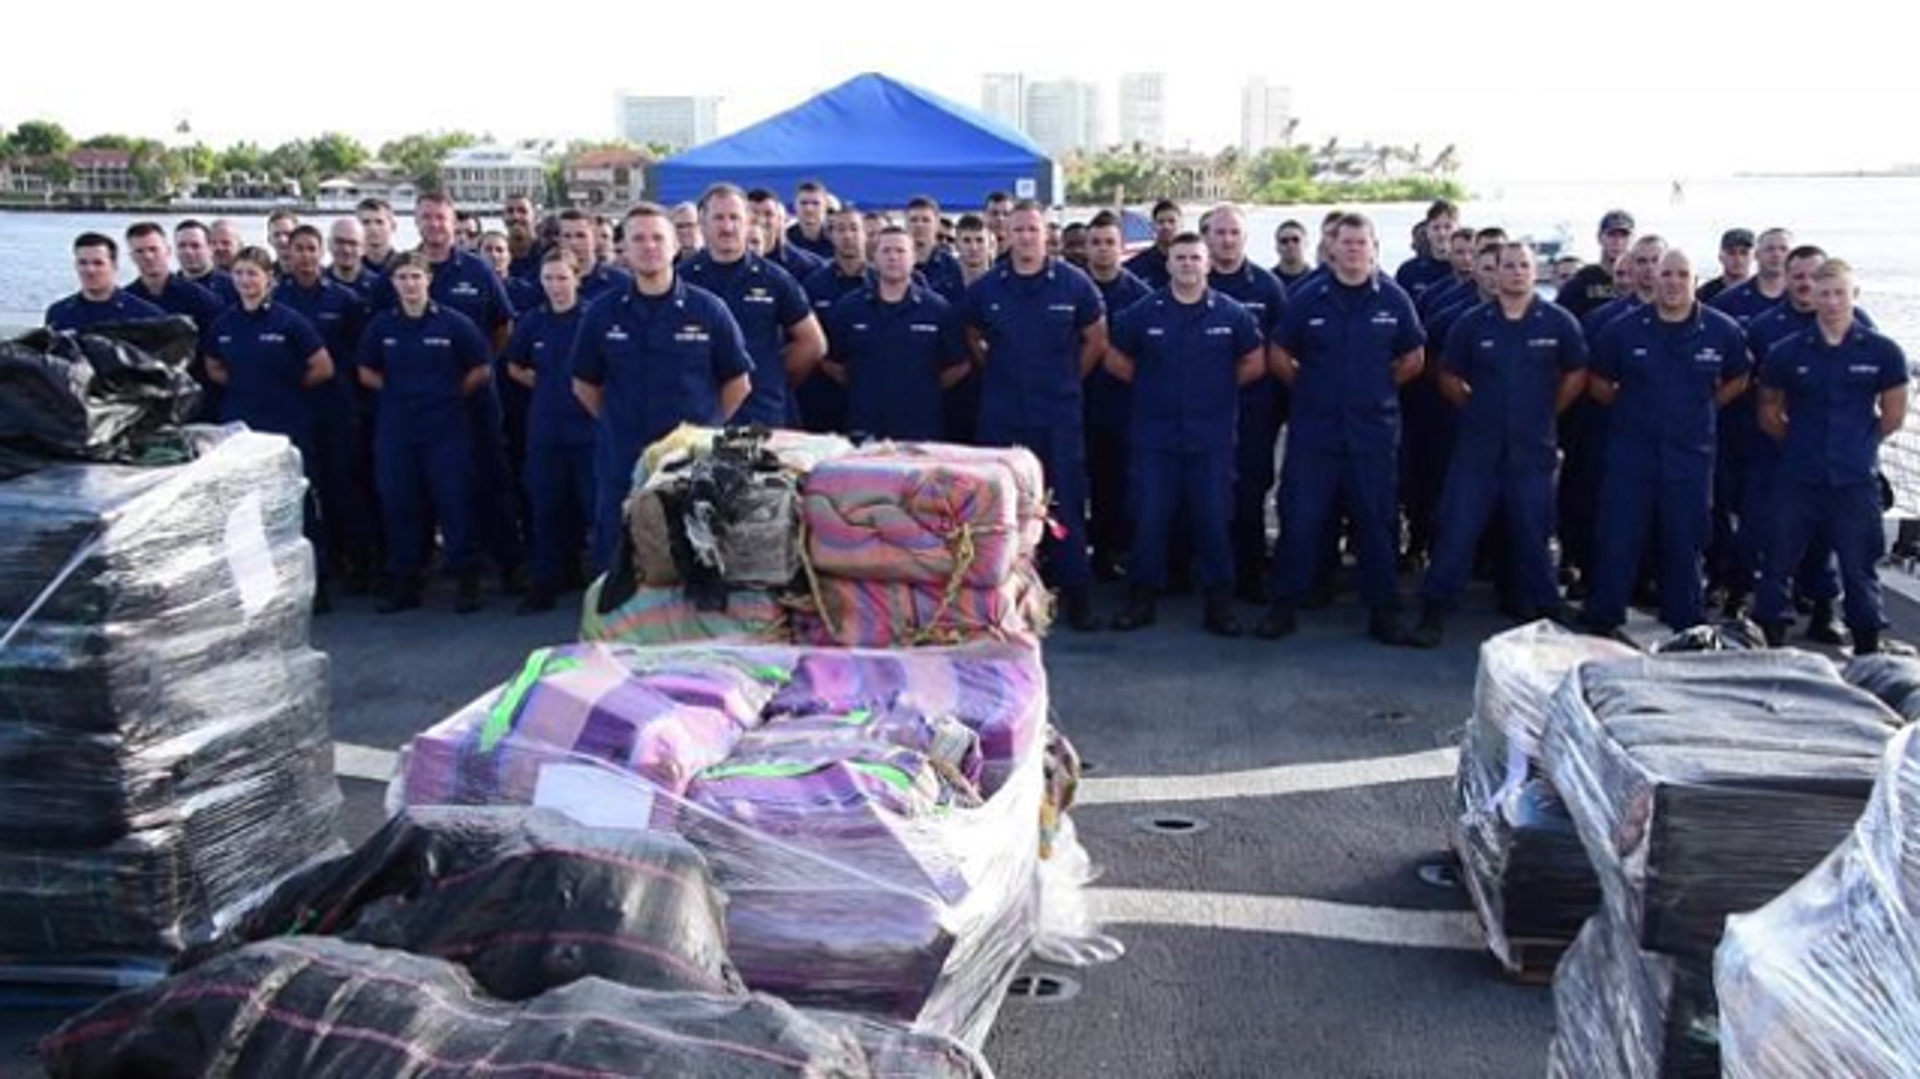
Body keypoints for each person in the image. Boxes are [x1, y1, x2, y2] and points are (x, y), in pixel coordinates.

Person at [1257, 212, 1425, 645]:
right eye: (1345, 243)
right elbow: (1279, 353)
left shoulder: (1393, 299)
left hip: (1372, 434)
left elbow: (1413, 358)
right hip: (1317, 434)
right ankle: (1284, 607)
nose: (1353, 250)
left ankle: (1383, 611)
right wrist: (1312, 391)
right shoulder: (1308, 297)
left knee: (1377, 523)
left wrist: (1374, 391)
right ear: (1332, 249)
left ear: (1373, 248)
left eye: (1361, 243)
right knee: (1301, 521)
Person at [1411, 244, 1588, 645]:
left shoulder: (1558, 322)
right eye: (1508, 266)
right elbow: (1449, 377)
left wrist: (1547, 411)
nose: (1516, 273)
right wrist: (1479, 410)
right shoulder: (1472, 324)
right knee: (1457, 531)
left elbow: (1576, 373)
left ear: (1533, 271)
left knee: (1533, 535)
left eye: (1524, 265)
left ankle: (1547, 612)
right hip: (1479, 451)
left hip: (1532, 450)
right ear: (1494, 273)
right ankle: (1434, 611)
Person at [570, 202, 753, 568]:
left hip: (690, 459)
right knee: (620, 553)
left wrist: (702, 430)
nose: (649, 246)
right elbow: (584, 384)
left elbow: (738, 382)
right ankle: (616, 624)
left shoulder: (709, 310)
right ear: (625, 249)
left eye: (658, 238)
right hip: (623, 455)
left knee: (696, 554)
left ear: (675, 247)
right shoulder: (602, 313)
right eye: (638, 239)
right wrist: (617, 421)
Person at [1580, 249, 1750, 633]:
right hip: (1631, 453)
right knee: (1618, 536)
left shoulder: (1722, 331)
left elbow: (1738, 378)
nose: (1673, 282)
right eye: (1666, 274)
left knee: (1685, 538)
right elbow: (1601, 384)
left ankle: (1685, 617)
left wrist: (1701, 408)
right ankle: (1604, 613)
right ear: (1654, 280)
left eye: (1682, 275)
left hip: (1690, 456)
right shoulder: (1622, 330)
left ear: (1694, 281)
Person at [1106, 232, 1266, 636]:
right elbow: (1115, 357)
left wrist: (1218, 390)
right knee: (1150, 520)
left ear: (1207, 264)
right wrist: (1150, 390)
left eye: (1195, 258)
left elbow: (1255, 360)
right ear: (1168, 264)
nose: (1188, 265)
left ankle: (1219, 604)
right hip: (1155, 438)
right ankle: (1142, 599)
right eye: (1181, 258)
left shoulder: (1231, 314)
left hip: (1210, 439)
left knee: (1213, 522)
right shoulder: (1145, 311)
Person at [962, 198, 1108, 630]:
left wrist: (1066, 381)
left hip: (1056, 414)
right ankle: (1002, 598)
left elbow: (1096, 340)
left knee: (1063, 502)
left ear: (1047, 235)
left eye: (1033, 229)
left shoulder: (1074, 285)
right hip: (1002, 414)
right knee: (1001, 507)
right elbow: (971, 335)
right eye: (1018, 230)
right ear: (1005, 235)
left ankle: (1075, 592)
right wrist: (994, 372)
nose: (1025, 237)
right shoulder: (988, 288)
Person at [1754, 258, 1908, 653]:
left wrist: (1858, 445)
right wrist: (1799, 444)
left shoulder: (1883, 351)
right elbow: (1769, 410)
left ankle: (1868, 647)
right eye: (1825, 293)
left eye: (1840, 292)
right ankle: (1773, 640)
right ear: (1812, 297)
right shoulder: (1787, 353)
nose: (1833, 301)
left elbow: (1892, 415)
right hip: (1798, 476)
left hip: (1854, 480)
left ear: (1854, 295)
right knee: (1777, 561)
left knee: (1859, 568)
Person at [354, 252, 493, 614]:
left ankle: (466, 580)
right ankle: (405, 582)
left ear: (428, 280)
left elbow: (481, 367)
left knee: (455, 502)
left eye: (416, 276)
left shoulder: (453, 324)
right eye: (402, 278)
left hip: (446, 428)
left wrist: (449, 394)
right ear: (393, 283)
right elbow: (365, 371)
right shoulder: (382, 326)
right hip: (398, 429)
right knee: (400, 503)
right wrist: (398, 394)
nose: (410, 284)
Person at [202, 245, 336, 609]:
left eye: (253, 274)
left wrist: (286, 388)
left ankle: (316, 582)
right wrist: (243, 387)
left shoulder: (289, 322)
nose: (246, 281)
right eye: (240, 274)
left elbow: (323, 366)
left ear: (270, 279)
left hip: (287, 424)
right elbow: (213, 365)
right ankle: (260, 587)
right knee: (247, 508)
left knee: (297, 504)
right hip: (241, 429)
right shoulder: (224, 323)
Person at [414, 191, 523, 594]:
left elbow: (502, 327)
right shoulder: (407, 270)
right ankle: (453, 566)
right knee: (438, 484)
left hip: (476, 395)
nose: (435, 225)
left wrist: (479, 370)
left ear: (452, 222)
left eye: (441, 218)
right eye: (427, 218)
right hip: (425, 402)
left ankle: (508, 562)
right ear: (417, 222)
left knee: (492, 476)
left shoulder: (477, 270)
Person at [274, 225, 378, 591]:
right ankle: (321, 562)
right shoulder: (277, 300)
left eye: (311, 249)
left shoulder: (344, 300)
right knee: (303, 489)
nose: (304, 256)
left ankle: (360, 561)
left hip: (337, 405)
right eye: (298, 249)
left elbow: (361, 353)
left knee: (344, 484)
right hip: (292, 409)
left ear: (322, 253)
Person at [680, 183, 824, 429]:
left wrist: (774, 374)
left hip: (761, 415)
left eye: (735, 218)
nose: (727, 227)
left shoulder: (775, 278)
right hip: (699, 417)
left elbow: (813, 344)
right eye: (718, 218)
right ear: (702, 225)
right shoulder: (681, 280)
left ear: (748, 223)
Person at [502, 249, 599, 613]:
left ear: (577, 278)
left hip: (588, 428)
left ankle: (603, 585)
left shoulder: (594, 318)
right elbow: (515, 365)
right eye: (548, 279)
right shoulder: (532, 321)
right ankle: (546, 581)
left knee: (594, 508)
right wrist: (543, 385)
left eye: (562, 278)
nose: (556, 286)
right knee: (545, 507)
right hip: (546, 429)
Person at [1203, 204, 1290, 603]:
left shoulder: (1267, 287)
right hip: (1200, 411)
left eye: (1233, 233)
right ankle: (1206, 573)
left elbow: (1282, 349)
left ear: (1244, 238)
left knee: (1250, 492)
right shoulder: (1191, 280)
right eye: (1219, 233)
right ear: (1206, 237)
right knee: (1203, 492)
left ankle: (1251, 575)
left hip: (1253, 408)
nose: (1226, 240)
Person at [822, 227, 968, 441]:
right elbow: (829, 361)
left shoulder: (937, 309)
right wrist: (862, 384)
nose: (893, 257)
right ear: (874, 257)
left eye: (900, 251)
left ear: (913, 258)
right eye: (886, 251)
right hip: (864, 426)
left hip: (920, 428)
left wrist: (924, 388)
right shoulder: (849, 308)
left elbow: (959, 365)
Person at [1081, 211, 1154, 582]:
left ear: (1122, 247)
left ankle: (1113, 554)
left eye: (1110, 242)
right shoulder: (1072, 288)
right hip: (1077, 403)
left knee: (1119, 485)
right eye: (1096, 242)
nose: (1103, 249)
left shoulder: (1140, 296)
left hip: (1123, 405)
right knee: (1075, 487)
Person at [798, 205, 876, 433]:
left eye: (854, 229)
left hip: (872, 393)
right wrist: (832, 368)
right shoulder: (813, 285)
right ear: (830, 235)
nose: (848, 236)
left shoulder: (883, 282)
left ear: (865, 234)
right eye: (840, 229)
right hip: (824, 393)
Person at [44, 232, 167, 332]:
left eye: (98, 263)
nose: (90, 270)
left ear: (114, 265)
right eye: (83, 263)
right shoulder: (58, 313)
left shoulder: (147, 315)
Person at [122, 221, 225, 335]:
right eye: (139, 251)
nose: (148, 256)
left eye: (153, 249)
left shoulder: (201, 299)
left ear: (168, 251)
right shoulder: (125, 300)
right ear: (131, 257)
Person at [1554, 209, 1635, 321]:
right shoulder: (1583, 279)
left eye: (1624, 236)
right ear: (1600, 238)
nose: (1618, 242)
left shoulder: (1640, 280)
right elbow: (1559, 319)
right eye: (1611, 235)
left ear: (1632, 240)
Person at [1708, 227, 1792, 325]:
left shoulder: (1804, 296)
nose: (1776, 254)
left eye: (1783, 249)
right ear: (1757, 255)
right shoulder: (1725, 301)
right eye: (1770, 249)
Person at [746, 187, 826, 281]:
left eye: (768, 214)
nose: (761, 220)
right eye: (754, 214)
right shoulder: (728, 261)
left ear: (779, 220)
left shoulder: (808, 267)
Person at [556, 210, 634, 305]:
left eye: (581, 236)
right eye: (567, 236)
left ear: (594, 238)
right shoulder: (546, 283)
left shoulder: (621, 282)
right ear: (559, 240)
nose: (573, 242)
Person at [1394, 199, 1458, 304]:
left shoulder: (1469, 271)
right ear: (1427, 231)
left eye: (1448, 227)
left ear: (1458, 230)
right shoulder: (1408, 271)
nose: (1442, 234)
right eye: (1436, 228)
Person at [906, 196, 966, 302]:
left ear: (937, 224)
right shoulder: (895, 263)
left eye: (926, 220)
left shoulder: (951, 267)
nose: (919, 225)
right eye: (913, 220)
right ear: (906, 223)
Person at [173, 219, 240, 305]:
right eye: (182, 246)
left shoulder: (234, 287)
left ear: (210, 248)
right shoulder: (166, 287)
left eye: (195, 246)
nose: (188, 252)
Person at [480, 229, 544, 316]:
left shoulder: (526, 292)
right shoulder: (468, 289)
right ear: (477, 254)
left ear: (509, 257)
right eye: (488, 249)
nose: (494, 255)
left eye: (500, 250)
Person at [325, 218, 386, 306]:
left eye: (353, 243)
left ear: (364, 247)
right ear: (329, 244)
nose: (346, 250)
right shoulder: (315, 286)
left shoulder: (379, 288)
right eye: (340, 242)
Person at [1123, 199, 1182, 288]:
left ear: (1181, 225)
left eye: (1172, 221)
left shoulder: (1192, 264)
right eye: (1161, 222)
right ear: (1152, 226)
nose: (1166, 226)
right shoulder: (1134, 267)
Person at [1697, 228, 1755, 303]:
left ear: (1754, 256)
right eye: (1731, 253)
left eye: (1744, 253)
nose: (1738, 259)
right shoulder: (1704, 294)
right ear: (1720, 257)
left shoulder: (1764, 291)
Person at [786, 180, 836, 260]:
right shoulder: (785, 240)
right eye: (803, 203)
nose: (809, 209)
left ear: (825, 207)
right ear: (795, 206)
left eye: (815, 203)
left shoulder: (837, 238)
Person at [503, 194, 545, 281]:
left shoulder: (546, 255)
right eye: (510, 211)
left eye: (522, 211)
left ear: (535, 217)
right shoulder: (496, 254)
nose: (516, 217)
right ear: (503, 217)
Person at [356, 197, 402, 272]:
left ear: (393, 226)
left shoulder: (405, 268)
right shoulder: (349, 269)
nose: (373, 228)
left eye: (379, 222)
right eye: (366, 222)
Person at [1271, 219, 1313, 287]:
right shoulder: (1268, 282)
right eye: (1284, 241)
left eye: (1296, 240)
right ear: (1277, 247)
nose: (1290, 245)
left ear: (1306, 243)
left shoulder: (1316, 280)